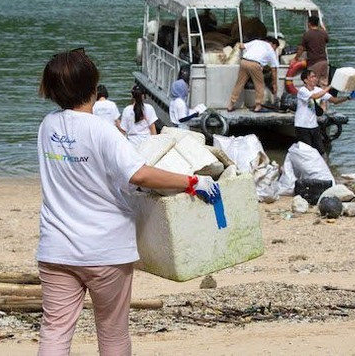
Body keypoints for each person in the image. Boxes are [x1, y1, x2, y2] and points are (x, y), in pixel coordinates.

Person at [36, 48, 218, 355]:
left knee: (55, 331)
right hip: (105, 250)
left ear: (52, 91)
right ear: (93, 87)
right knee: (112, 333)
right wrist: (192, 182)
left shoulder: (48, 127)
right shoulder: (103, 131)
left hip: (56, 249)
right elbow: (140, 175)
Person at [294, 69, 355, 156]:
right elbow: (314, 96)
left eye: (315, 76)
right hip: (302, 125)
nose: (315, 78)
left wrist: (348, 98)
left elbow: (334, 100)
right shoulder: (302, 90)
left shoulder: (318, 90)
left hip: (314, 125)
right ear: (306, 80)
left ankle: (324, 167)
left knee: (321, 150)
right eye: (312, 77)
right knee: (306, 151)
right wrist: (329, 87)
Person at [226, 37, 280, 113]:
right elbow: (274, 69)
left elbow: (241, 46)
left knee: (239, 84)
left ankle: (231, 105)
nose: (275, 50)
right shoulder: (270, 50)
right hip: (255, 64)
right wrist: (274, 84)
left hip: (244, 62)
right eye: (276, 48)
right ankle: (258, 106)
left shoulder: (256, 42)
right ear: (273, 44)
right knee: (259, 85)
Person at [296, 15, 329, 86]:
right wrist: (324, 29)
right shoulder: (323, 33)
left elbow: (301, 48)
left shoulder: (307, 34)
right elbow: (327, 39)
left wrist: (295, 59)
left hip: (314, 63)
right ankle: (323, 96)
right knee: (323, 84)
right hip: (324, 62)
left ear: (309, 23)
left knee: (313, 84)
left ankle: (315, 96)